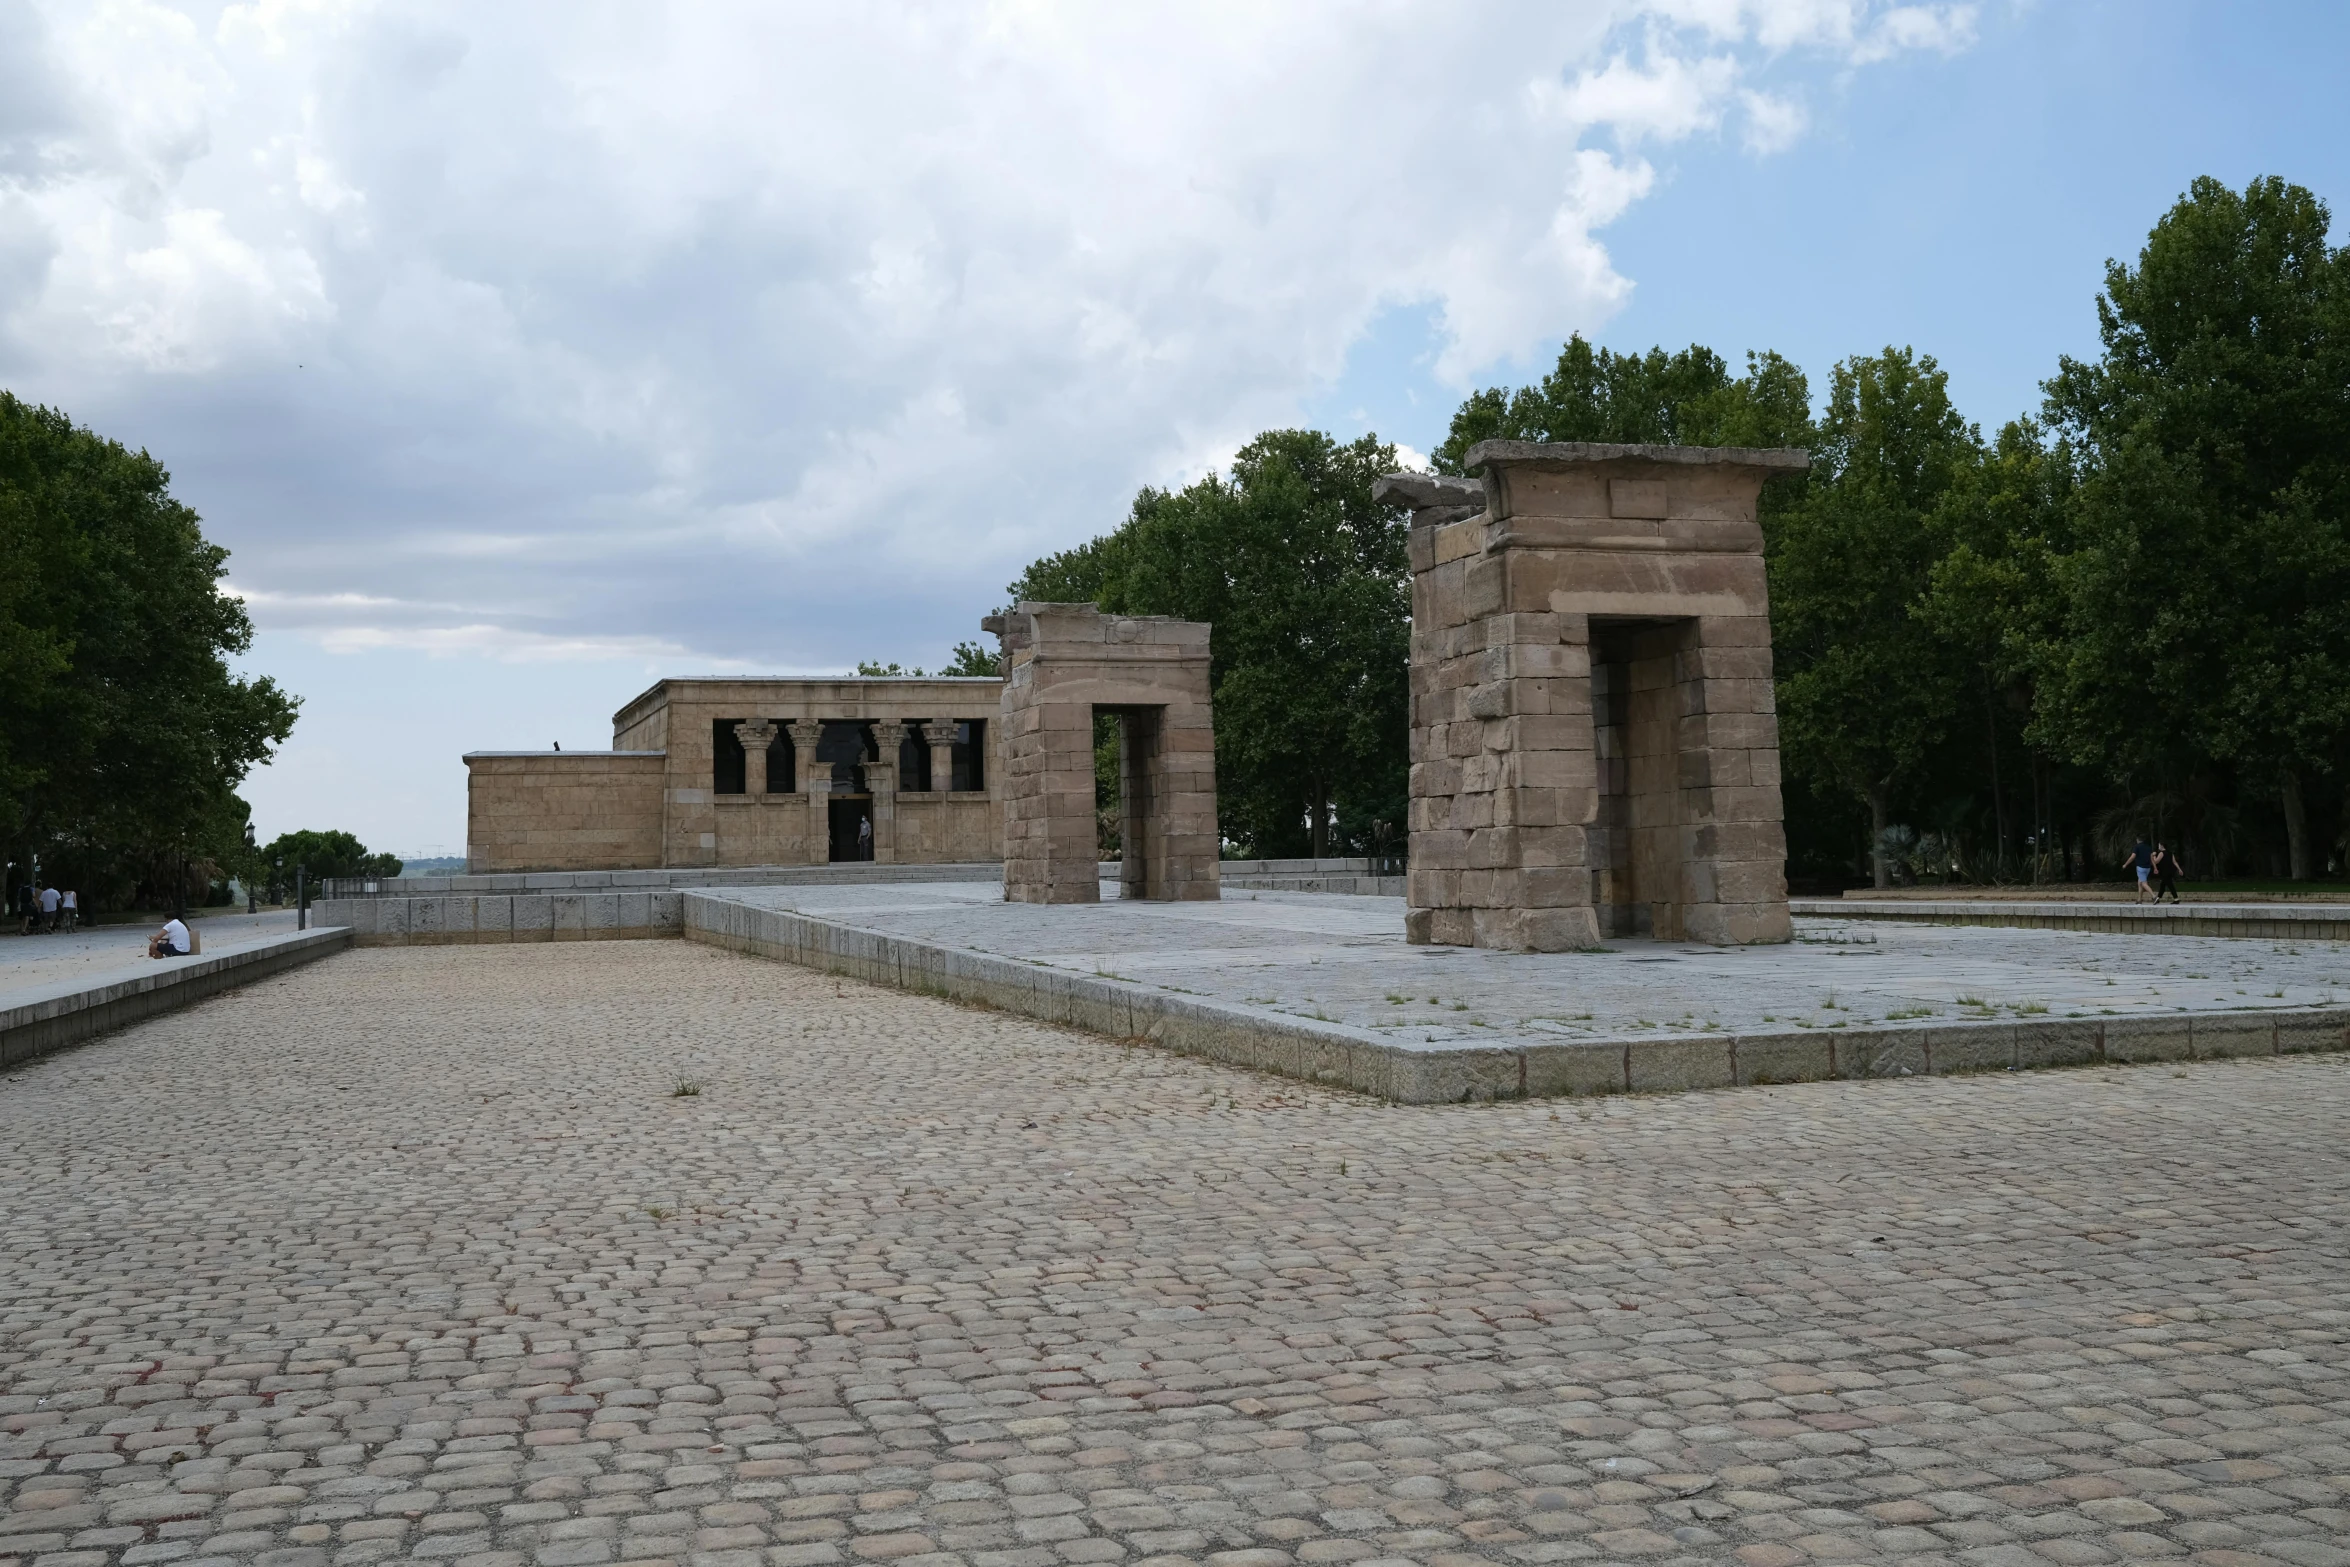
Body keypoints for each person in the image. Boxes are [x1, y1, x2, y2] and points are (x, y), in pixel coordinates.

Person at [2121, 837, 2155, 902]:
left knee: (2143, 883)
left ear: (2137, 840)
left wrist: (2125, 864)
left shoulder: (2137, 847)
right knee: (2140, 882)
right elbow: (2151, 858)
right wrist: (2155, 867)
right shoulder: (2148, 847)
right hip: (2147, 868)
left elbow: (2132, 857)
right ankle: (2139, 899)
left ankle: (2154, 896)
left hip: (2140, 868)